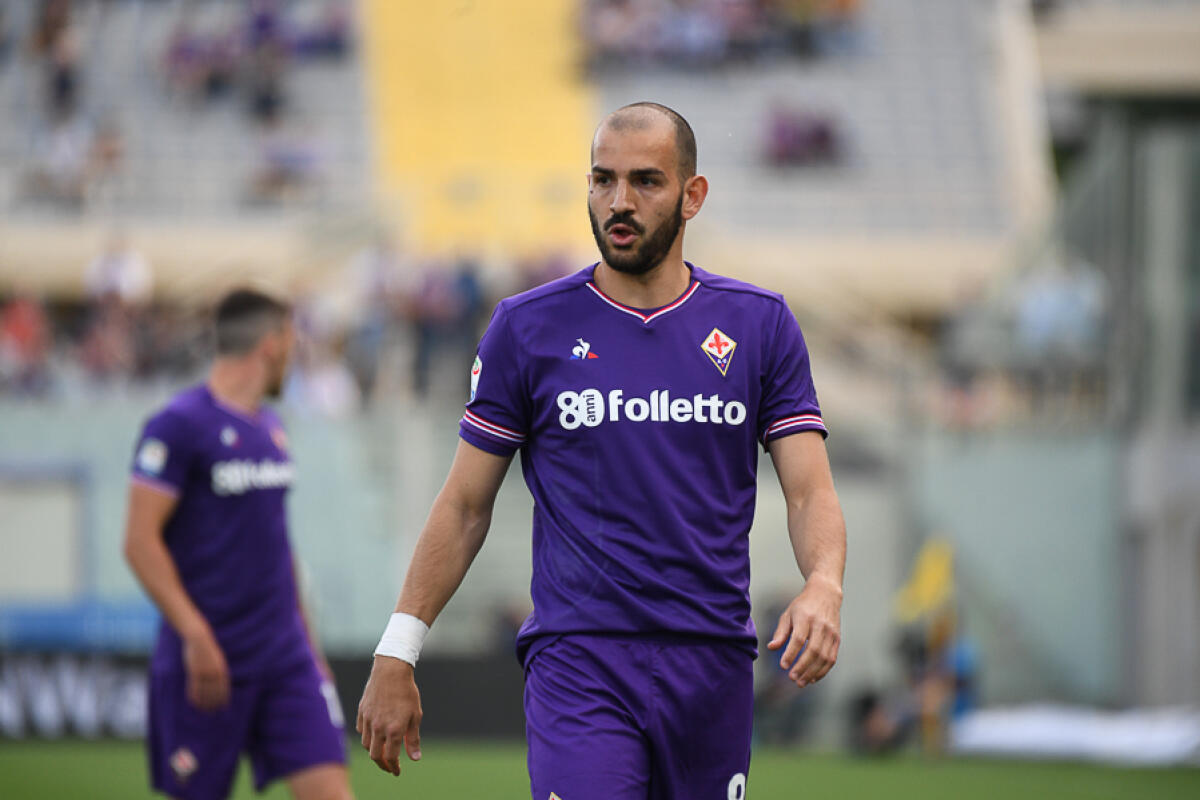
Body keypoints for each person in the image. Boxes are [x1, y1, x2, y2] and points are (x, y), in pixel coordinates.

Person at [357, 102, 847, 798]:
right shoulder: (526, 327)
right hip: (581, 662)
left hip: (712, 665)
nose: (619, 201)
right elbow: (464, 504)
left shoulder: (759, 325)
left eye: (646, 181)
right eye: (602, 179)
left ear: (692, 195)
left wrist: (823, 584)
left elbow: (809, 492)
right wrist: (398, 648)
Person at [123, 289, 352, 800]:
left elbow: (277, 543)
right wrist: (196, 635)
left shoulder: (272, 428)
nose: (293, 356)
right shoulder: (178, 426)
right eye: (291, 342)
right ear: (272, 344)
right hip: (209, 660)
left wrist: (310, 649)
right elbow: (139, 542)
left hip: (285, 659)